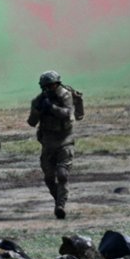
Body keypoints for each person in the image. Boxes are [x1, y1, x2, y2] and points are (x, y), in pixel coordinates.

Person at [28, 70, 75, 219]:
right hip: (47, 143)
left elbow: (68, 113)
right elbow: (31, 122)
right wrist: (38, 110)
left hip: (64, 141)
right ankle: (58, 200)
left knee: (62, 174)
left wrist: (52, 108)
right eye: (48, 86)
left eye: (53, 85)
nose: (51, 88)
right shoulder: (40, 100)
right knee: (49, 178)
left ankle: (61, 205)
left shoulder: (65, 96)